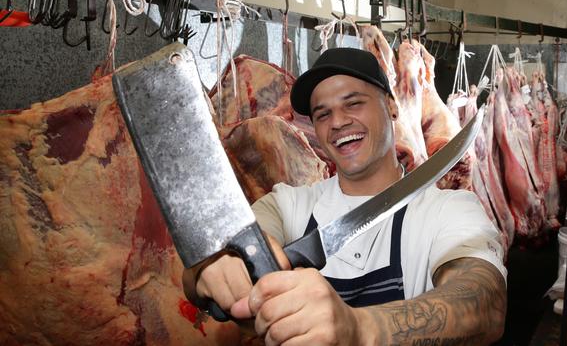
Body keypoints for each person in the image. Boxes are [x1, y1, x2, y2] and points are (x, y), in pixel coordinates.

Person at [184, 48, 507, 345]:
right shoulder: (287, 204)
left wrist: (361, 328)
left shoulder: (447, 210)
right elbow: (207, 266)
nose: (338, 122)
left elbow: (484, 304)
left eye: (353, 104)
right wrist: (213, 266)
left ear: (392, 107)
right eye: (322, 114)